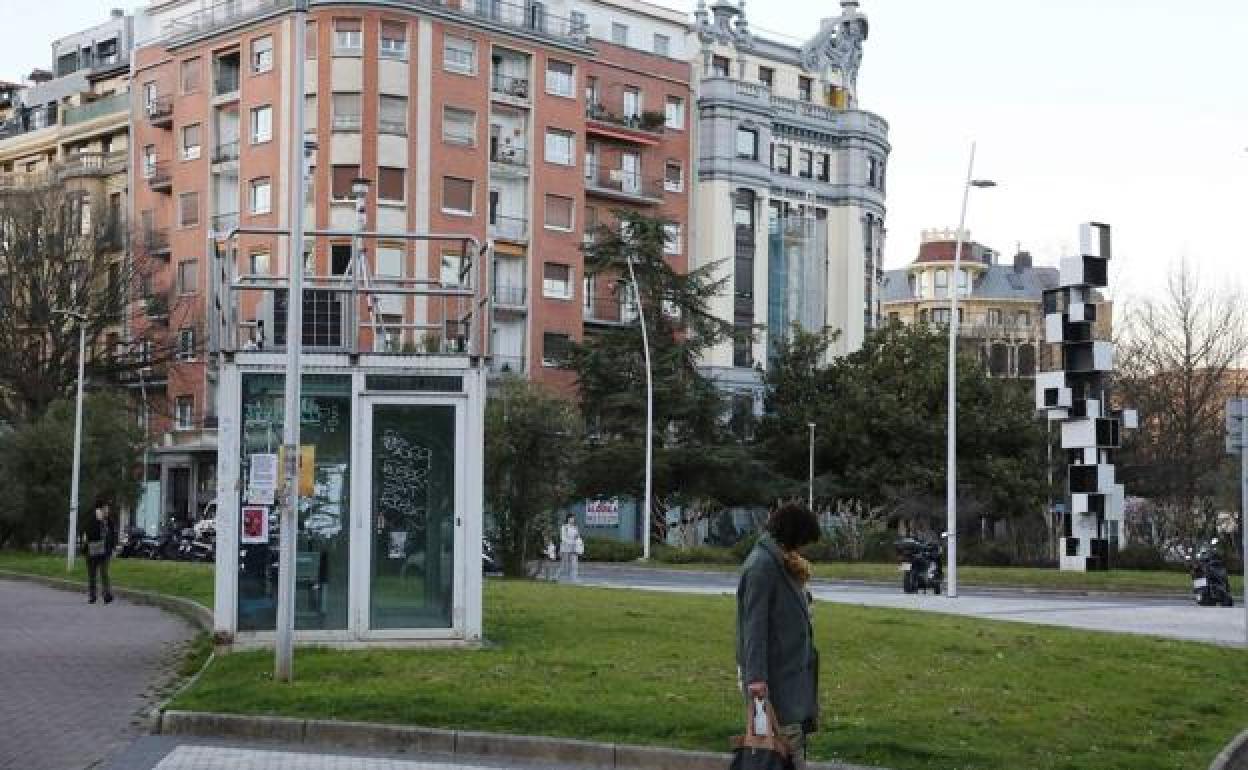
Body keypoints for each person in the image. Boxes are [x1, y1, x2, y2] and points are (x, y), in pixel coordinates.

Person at [736, 501, 822, 768]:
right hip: (774, 679)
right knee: (778, 751)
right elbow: (754, 627)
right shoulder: (762, 566)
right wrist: (756, 680)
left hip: (790, 675)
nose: (803, 548)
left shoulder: (781, 562)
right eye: (803, 541)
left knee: (788, 748)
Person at [83, 497, 118, 604]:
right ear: (100, 509)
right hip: (92, 550)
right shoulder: (91, 518)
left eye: (108, 508)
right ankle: (92, 595)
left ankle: (107, 595)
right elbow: (88, 532)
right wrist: (98, 520)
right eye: (106, 508)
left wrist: (113, 548)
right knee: (92, 574)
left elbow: (113, 534)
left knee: (104, 572)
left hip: (105, 551)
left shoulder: (109, 520)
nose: (108, 510)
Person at [559, 514, 583, 583]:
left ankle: (574, 578)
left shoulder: (575, 527)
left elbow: (577, 536)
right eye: (571, 518)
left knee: (574, 564)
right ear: (568, 519)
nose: (573, 519)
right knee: (564, 565)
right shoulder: (564, 527)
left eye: (573, 518)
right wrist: (570, 542)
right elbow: (562, 538)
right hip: (565, 548)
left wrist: (578, 543)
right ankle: (557, 577)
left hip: (574, 548)